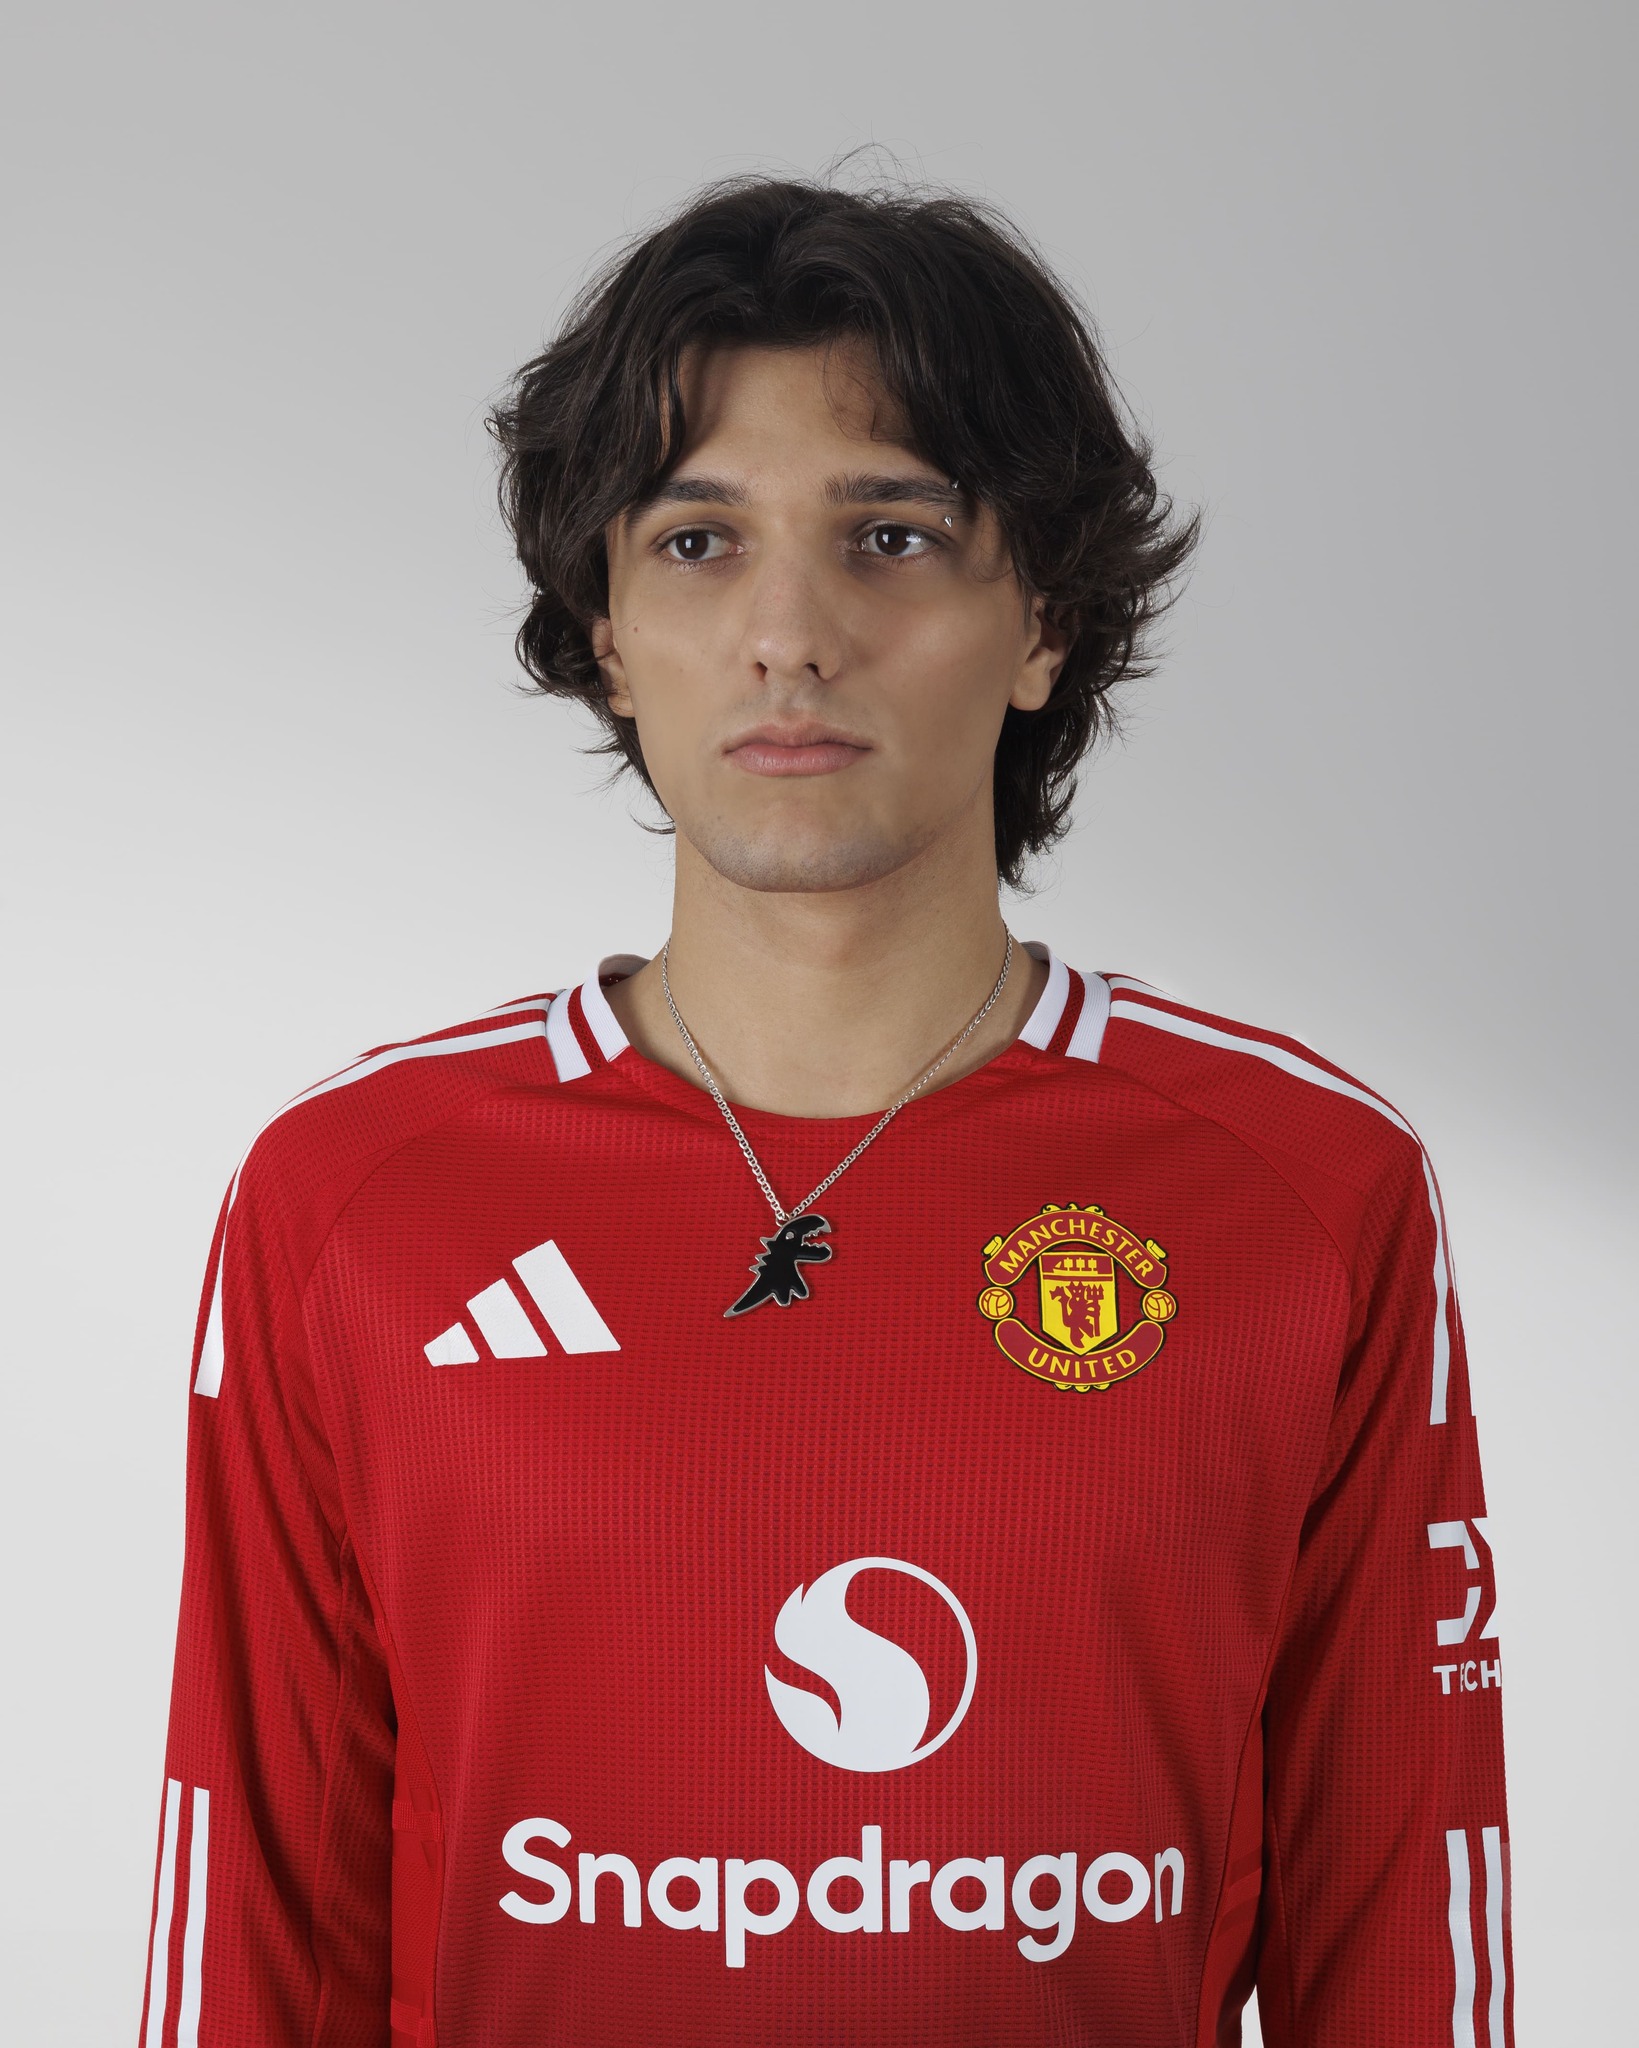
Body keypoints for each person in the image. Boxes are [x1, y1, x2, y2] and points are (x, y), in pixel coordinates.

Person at [138, 175, 1511, 2048]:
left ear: (1044, 623)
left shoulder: (1306, 1193)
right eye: (699, 543)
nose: (790, 634)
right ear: (607, 633)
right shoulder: (355, 1200)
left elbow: (1404, 1939)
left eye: (891, 536)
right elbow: (257, 1936)